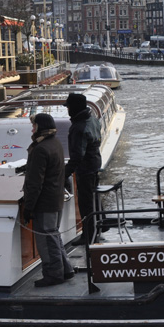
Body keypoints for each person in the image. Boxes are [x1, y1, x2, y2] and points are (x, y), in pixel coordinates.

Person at [22, 113, 74, 287]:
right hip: (55, 198)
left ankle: (53, 274)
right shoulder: (55, 143)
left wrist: (28, 207)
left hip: (45, 202)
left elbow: (35, 182)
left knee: (46, 239)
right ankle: (65, 269)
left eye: (34, 125)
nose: (32, 129)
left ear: (39, 127)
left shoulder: (41, 148)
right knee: (53, 235)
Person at [64, 92, 103, 245]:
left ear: (73, 108)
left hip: (85, 169)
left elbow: (77, 155)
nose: (67, 110)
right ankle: (101, 226)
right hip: (95, 164)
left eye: (68, 107)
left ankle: (88, 236)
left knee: (86, 203)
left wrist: (65, 173)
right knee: (93, 198)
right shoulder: (92, 119)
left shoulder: (78, 128)